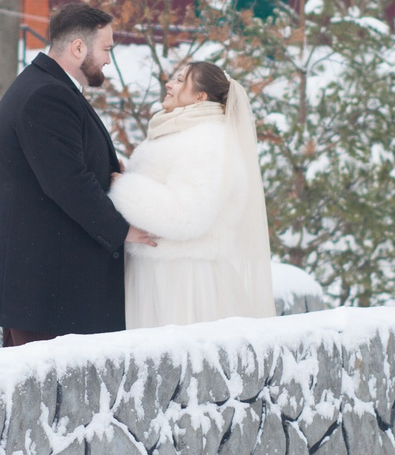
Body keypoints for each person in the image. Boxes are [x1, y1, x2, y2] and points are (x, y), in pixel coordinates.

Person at [0, 1, 151, 345]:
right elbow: (68, 184)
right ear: (77, 47)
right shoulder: (47, 95)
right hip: (41, 289)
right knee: (45, 395)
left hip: (41, 289)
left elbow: (65, 168)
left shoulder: (46, 86)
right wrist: (123, 229)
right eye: (106, 49)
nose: (108, 60)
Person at [108, 59, 276, 327]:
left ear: (200, 96)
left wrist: (123, 188)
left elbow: (187, 216)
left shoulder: (207, 140)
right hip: (159, 274)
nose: (169, 84)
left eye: (179, 79)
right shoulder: (179, 133)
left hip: (182, 281)